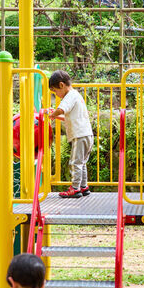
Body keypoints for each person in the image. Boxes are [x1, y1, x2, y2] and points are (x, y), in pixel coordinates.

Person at [47, 70, 94, 198]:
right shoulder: (76, 95)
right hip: (86, 134)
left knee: (75, 163)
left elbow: (62, 109)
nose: (56, 95)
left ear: (61, 85)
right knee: (82, 162)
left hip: (79, 135)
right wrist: (56, 116)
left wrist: (52, 114)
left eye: (55, 91)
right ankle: (83, 187)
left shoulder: (70, 96)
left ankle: (74, 188)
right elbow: (67, 115)